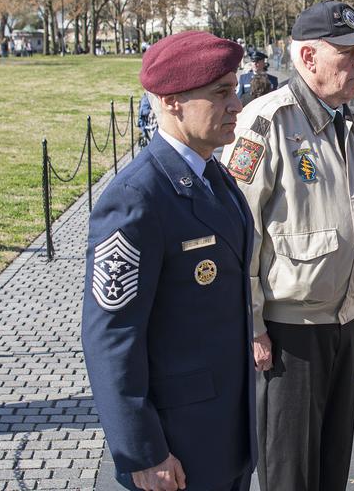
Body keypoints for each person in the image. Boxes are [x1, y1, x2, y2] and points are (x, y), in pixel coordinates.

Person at [221, 0, 354, 491]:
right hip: (288, 333)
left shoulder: (350, 124)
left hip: (342, 323)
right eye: (347, 52)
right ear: (308, 58)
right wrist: (252, 326)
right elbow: (239, 234)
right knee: (291, 473)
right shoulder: (267, 122)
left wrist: (353, 309)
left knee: (332, 466)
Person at [81, 31, 257, 491]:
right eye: (221, 92)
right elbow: (112, 335)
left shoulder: (214, 175)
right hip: (177, 445)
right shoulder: (137, 198)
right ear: (172, 101)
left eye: (235, 89)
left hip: (227, 427)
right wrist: (141, 450)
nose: (236, 104)